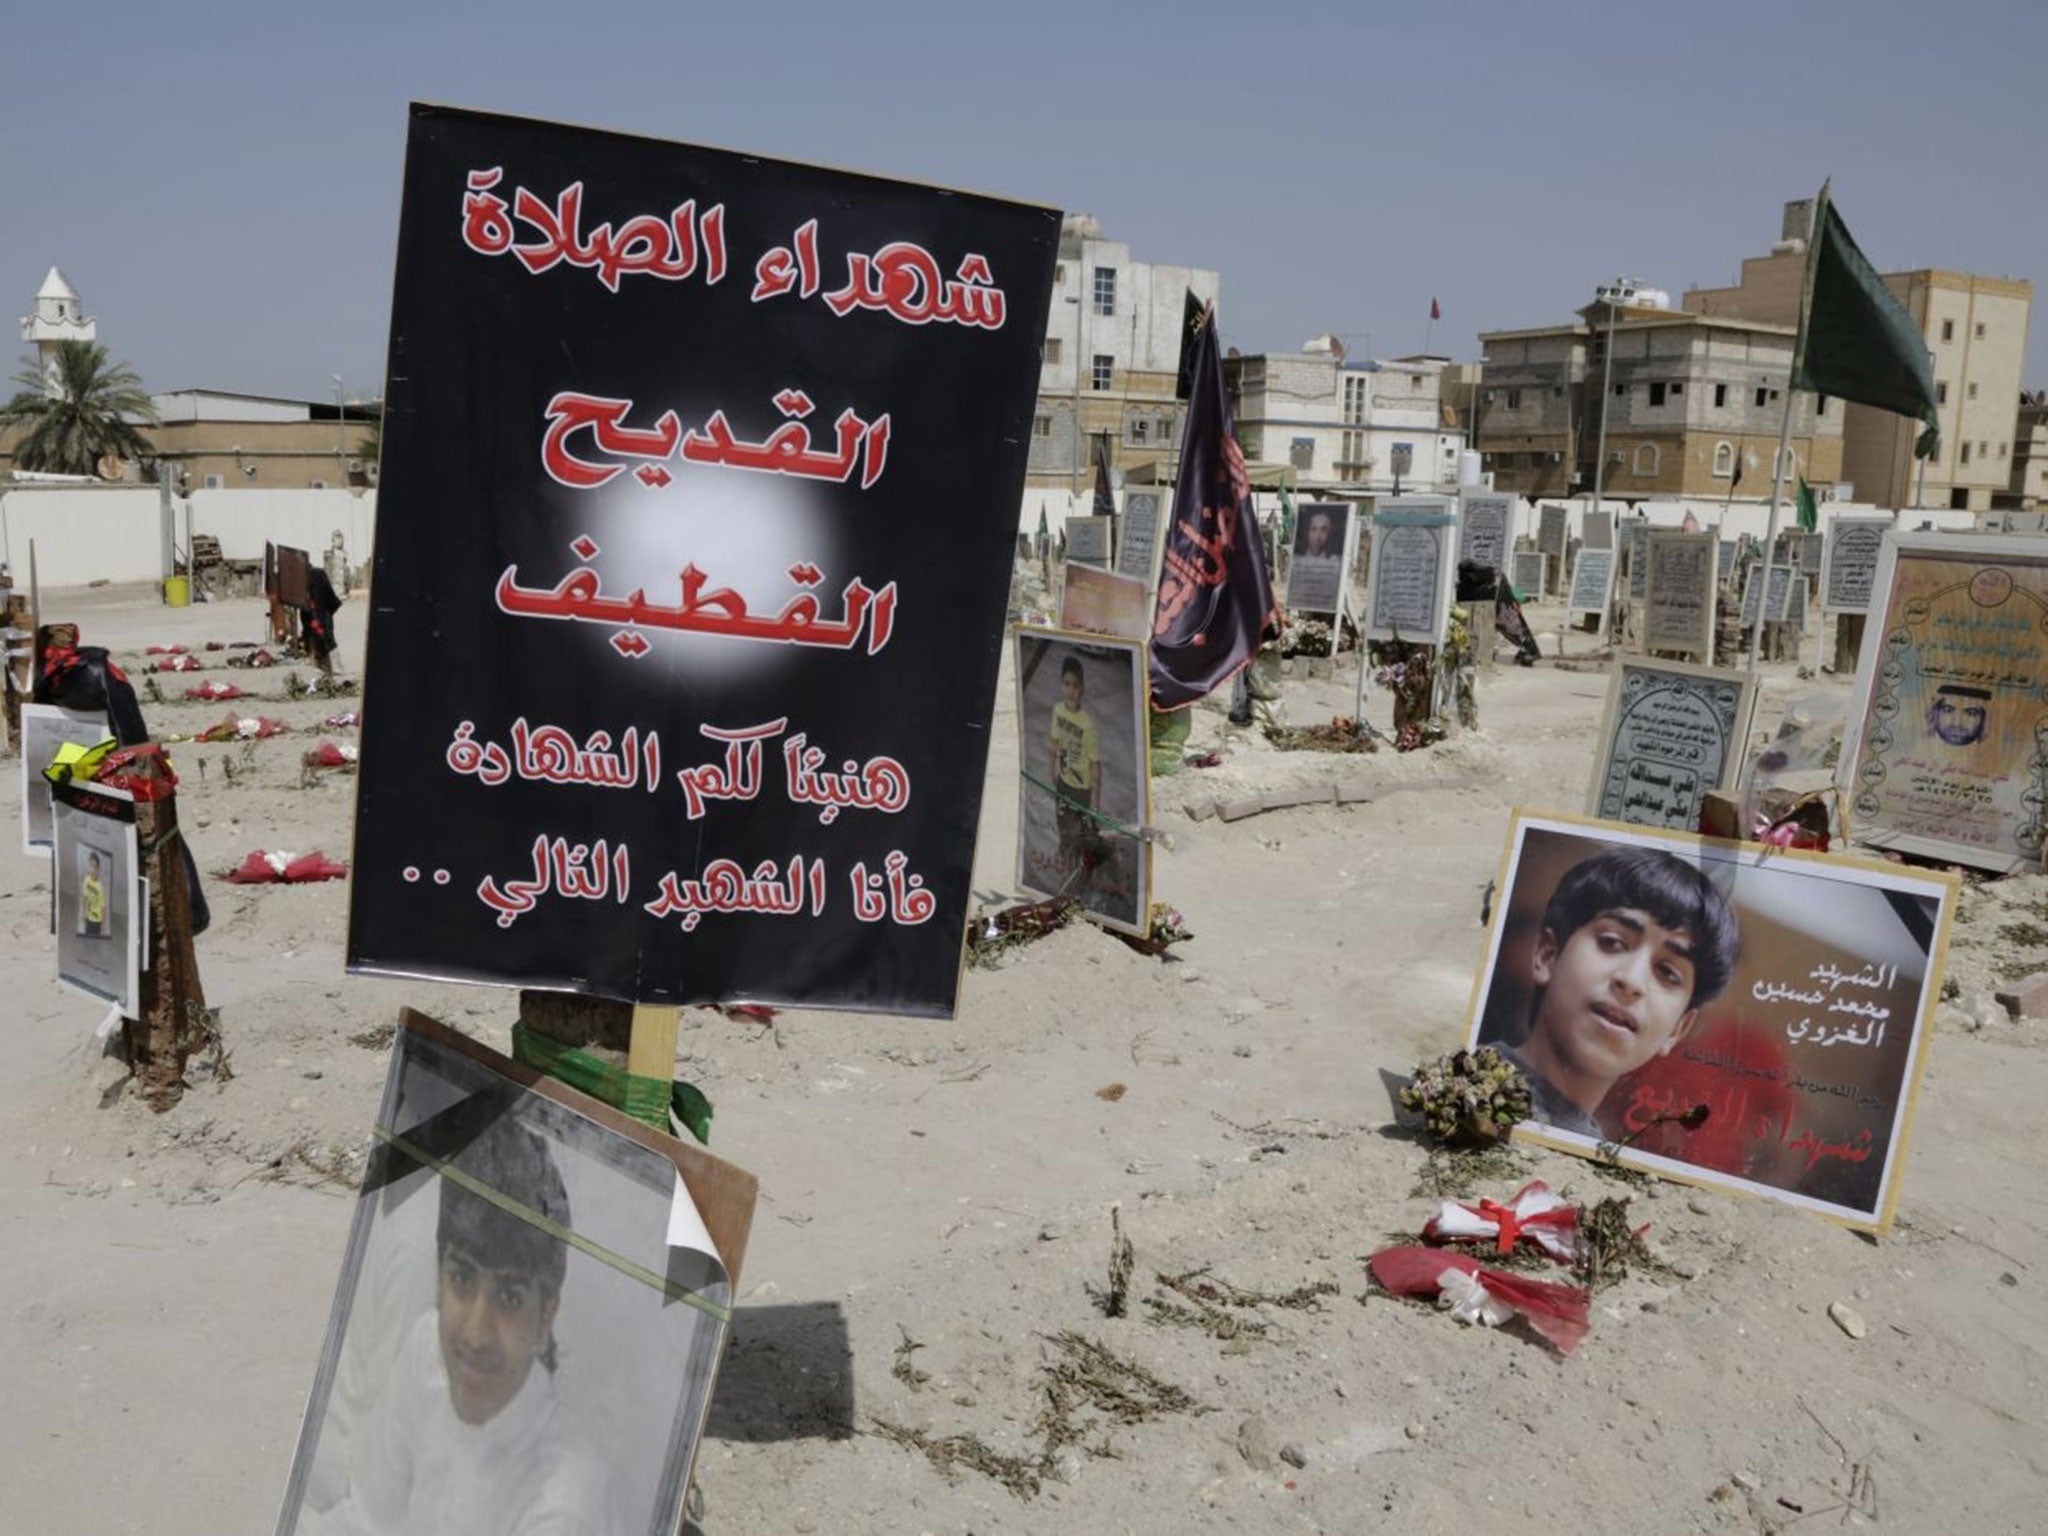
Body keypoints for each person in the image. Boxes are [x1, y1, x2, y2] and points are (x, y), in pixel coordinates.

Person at [303, 1115, 604, 1536]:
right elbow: (366, 1519)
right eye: (462, 1278)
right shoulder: (425, 1351)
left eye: (510, 1298)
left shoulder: (562, 1502)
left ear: (546, 1317)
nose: (476, 1334)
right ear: (438, 1277)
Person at [1497, 844, 1739, 1137]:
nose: (1632, 981)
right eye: (1612, 942)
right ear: (1547, 955)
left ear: (1678, 1029)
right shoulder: (1464, 1086)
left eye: (1667, 972)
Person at [1048, 653, 1103, 890]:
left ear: (1082, 689)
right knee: (1065, 834)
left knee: (1086, 837)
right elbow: (1053, 743)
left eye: (1075, 685)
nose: (1070, 690)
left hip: (1083, 790)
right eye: (1066, 684)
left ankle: (1085, 881)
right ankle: (1066, 880)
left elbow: (1095, 766)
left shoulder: (1087, 724)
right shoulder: (1058, 711)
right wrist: (1053, 774)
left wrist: (1095, 802)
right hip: (1064, 785)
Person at [80, 852, 107, 937]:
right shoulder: (86, 880)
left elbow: (103, 907)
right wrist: (84, 912)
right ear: (88, 867)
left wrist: (103, 926)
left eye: (95, 867)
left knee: (95, 946)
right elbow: (84, 898)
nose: (93, 870)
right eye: (91, 866)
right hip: (88, 919)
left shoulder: (100, 887)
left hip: (97, 922)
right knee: (87, 943)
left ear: (98, 869)